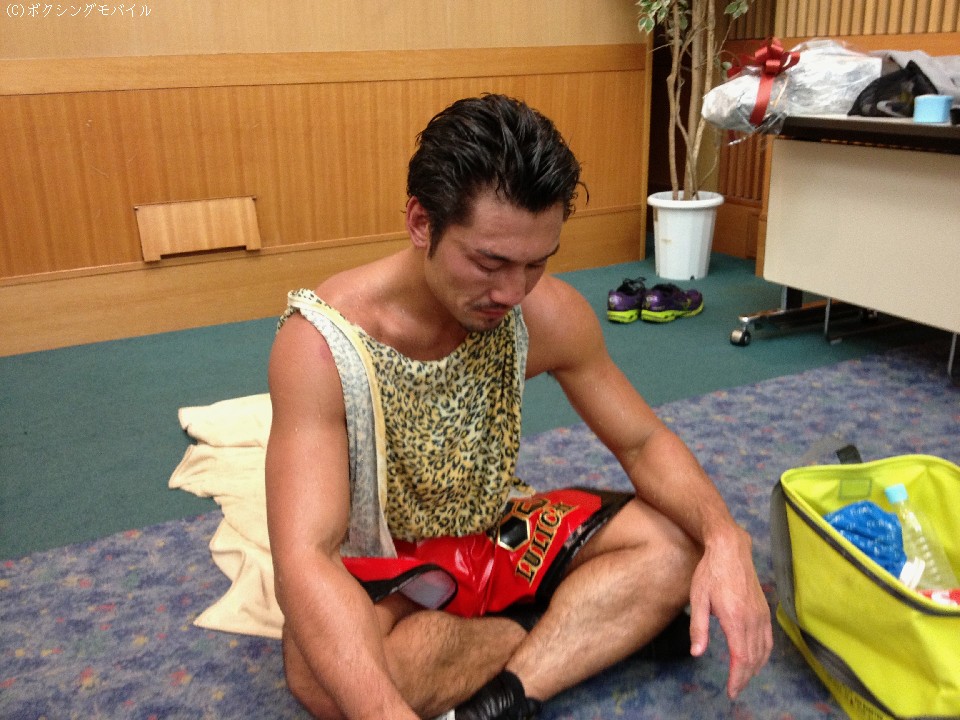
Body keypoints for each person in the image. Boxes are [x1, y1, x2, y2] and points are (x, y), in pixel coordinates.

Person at [265, 93, 772, 720]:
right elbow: (307, 556)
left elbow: (643, 442)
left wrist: (726, 537)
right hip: (392, 563)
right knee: (319, 680)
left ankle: (509, 693)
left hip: (500, 534)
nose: (510, 291)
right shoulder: (322, 345)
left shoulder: (546, 313)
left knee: (679, 543)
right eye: (489, 262)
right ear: (421, 222)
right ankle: (554, 630)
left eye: (536, 263)